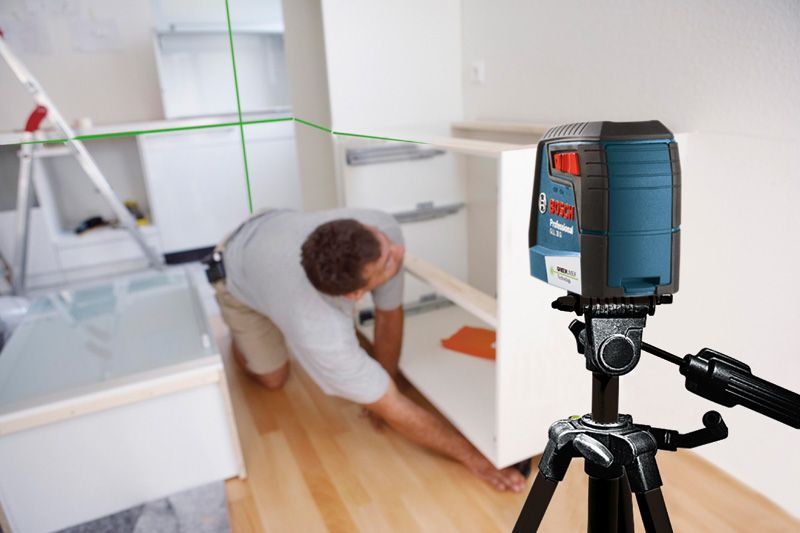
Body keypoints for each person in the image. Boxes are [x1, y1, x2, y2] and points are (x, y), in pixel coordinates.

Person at [209, 208, 525, 492]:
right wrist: (476, 459)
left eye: (386, 245)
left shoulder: (379, 227)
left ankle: (277, 311)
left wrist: (384, 379)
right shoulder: (321, 330)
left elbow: (389, 314)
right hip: (233, 272)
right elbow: (391, 407)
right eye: (388, 262)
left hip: (267, 225)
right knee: (273, 378)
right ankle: (243, 332)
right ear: (357, 293)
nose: (399, 252)